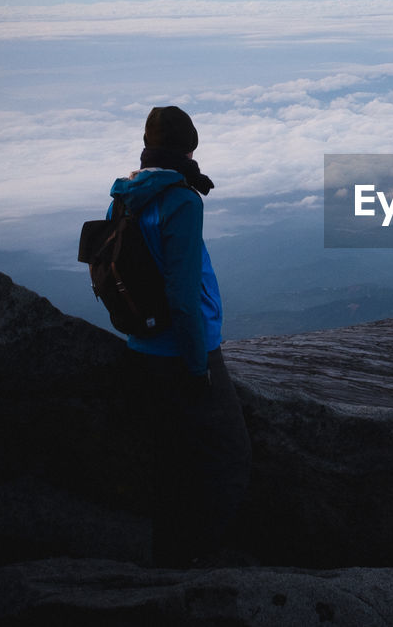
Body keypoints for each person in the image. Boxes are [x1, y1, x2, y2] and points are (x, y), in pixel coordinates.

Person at [111, 105, 251, 567]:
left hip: (140, 347)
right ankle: (200, 560)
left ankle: (165, 554)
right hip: (183, 352)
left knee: (169, 462)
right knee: (229, 458)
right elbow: (184, 296)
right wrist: (197, 367)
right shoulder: (183, 201)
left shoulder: (124, 194)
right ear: (189, 147)